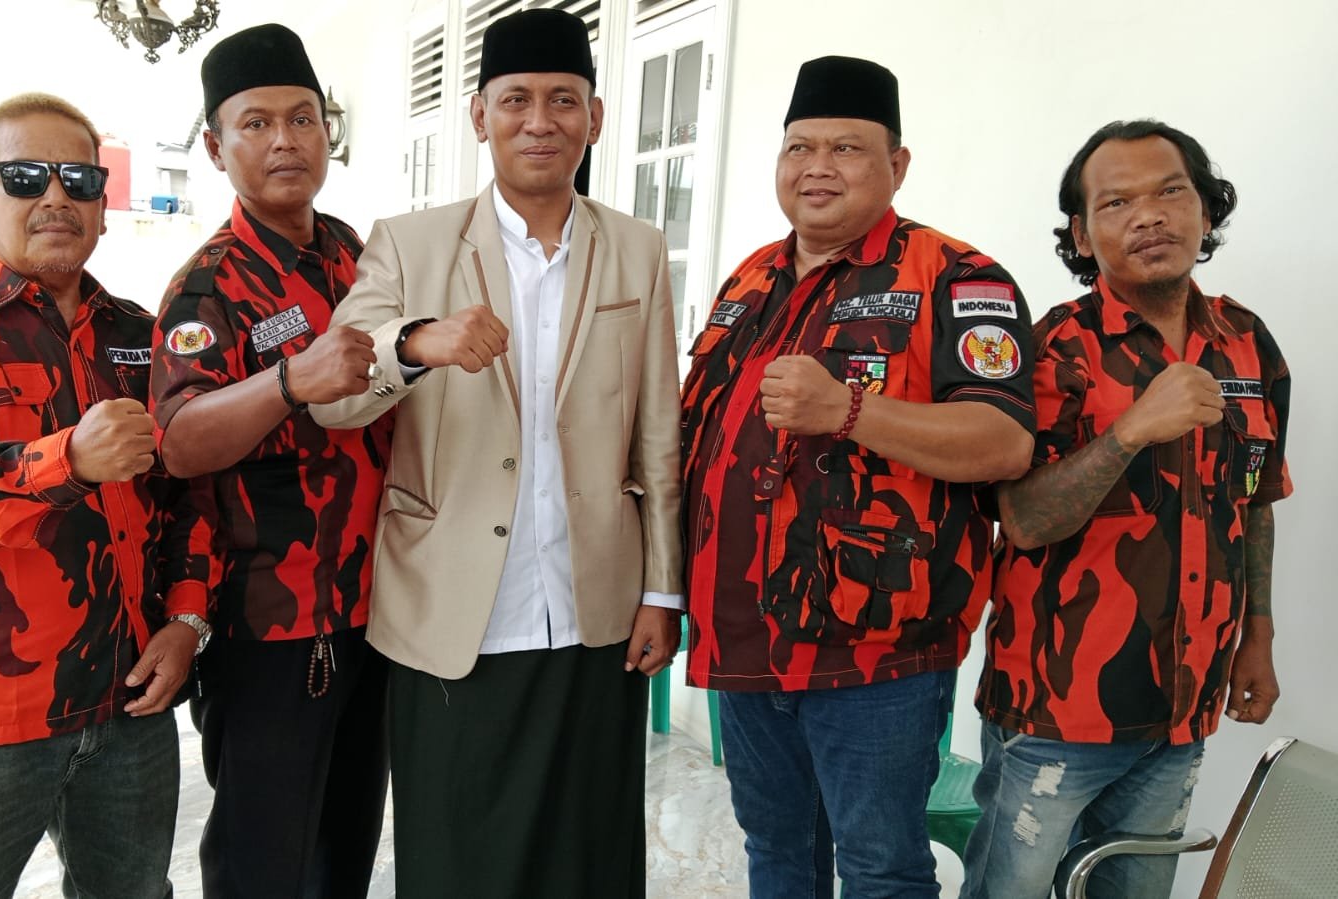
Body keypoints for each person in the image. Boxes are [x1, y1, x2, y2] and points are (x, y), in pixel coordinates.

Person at [309, 9, 682, 896]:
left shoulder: (636, 248)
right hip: (453, 607)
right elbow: (334, 398)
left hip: (594, 604)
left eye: (563, 100)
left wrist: (661, 589)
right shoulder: (410, 242)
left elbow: (657, 433)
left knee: (587, 856)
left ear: (594, 117)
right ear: (479, 115)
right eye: (515, 99)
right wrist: (414, 343)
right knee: (457, 857)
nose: (539, 121)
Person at [679, 56, 1037, 898]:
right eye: (799, 147)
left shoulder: (955, 276)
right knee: (775, 851)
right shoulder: (749, 279)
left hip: (877, 651)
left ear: (896, 165)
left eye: (845, 147)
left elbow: (1002, 441)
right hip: (742, 636)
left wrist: (846, 410)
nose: (817, 167)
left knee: (879, 868)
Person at [0, 92, 211, 899]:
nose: (56, 196)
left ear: (101, 207)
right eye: (25, 177)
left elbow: (187, 497)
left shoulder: (137, 333)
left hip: (128, 702)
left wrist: (186, 621)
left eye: (79, 179)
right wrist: (70, 461)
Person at [961, 120, 1292, 899]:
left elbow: (1255, 499)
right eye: (1116, 202)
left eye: (1170, 191)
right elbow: (1022, 518)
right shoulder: (1052, 347)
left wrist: (1258, 636)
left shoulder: (1247, 343)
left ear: (1205, 210)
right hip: (1053, 707)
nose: (1149, 215)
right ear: (1081, 234)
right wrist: (1130, 430)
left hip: (1183, 705)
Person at [147, 23, 390, 899]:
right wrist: (289, 381)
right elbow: (179, 441)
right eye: (256, 123)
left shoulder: (354, 253)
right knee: (262, 864)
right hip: (274, 624)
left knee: (343, 853)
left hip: (374, 610)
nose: (285, 140)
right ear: (217, 149)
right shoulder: (207, 286)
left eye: (302, 118)